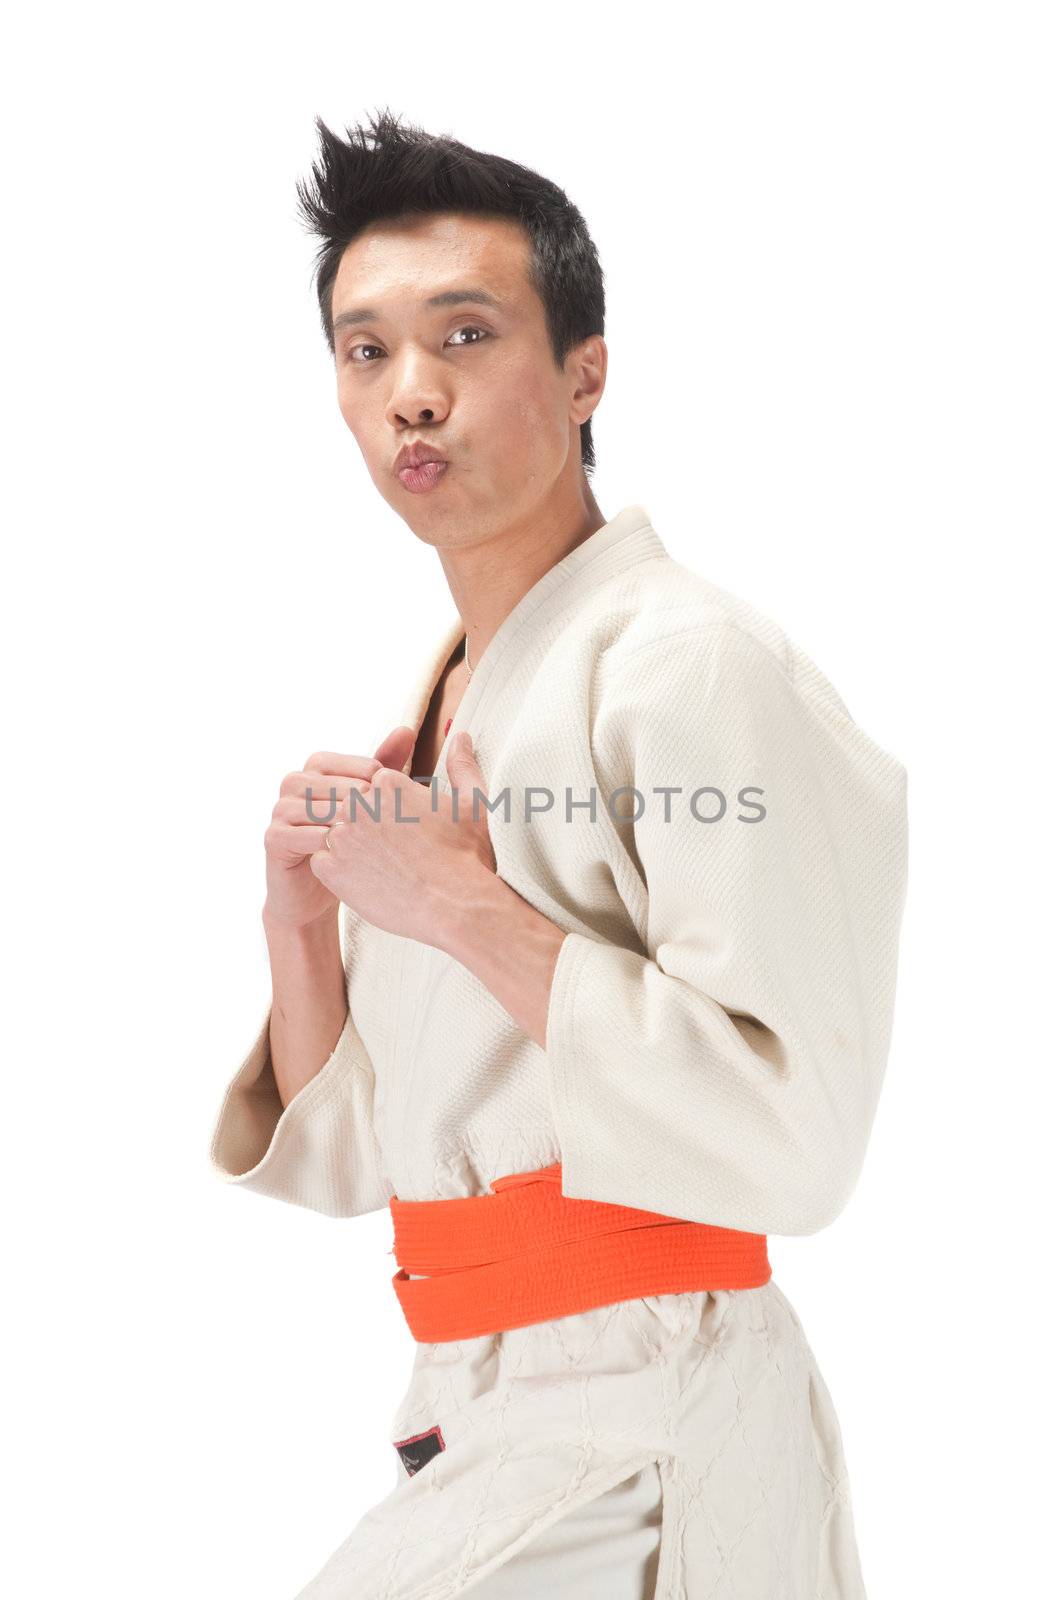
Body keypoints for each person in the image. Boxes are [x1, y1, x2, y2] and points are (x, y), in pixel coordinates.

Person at [207, 108, 908, 1599]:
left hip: (650, 1415)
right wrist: (303, 928)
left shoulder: (694, 664)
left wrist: (461, 905)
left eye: (465, 335)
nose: (412, 396)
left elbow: (802, 1136)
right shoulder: (460, 689)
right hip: (479, 1404)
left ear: (586, 371)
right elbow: (375, 1172)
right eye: (365, 350)